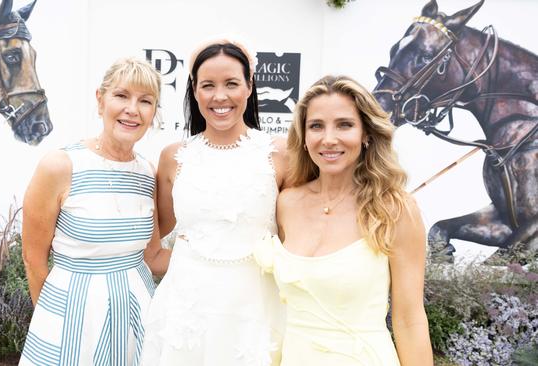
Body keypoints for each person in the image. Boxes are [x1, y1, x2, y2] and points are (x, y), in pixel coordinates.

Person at [254, 75, 433, 365]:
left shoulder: (395, 209)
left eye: (344, 125)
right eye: (316, 126)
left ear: (366, 134)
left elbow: (410, 319)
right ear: (303, 136)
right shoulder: (286, 202)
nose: (328, 139)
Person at [140, 39, 289, 366]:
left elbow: (299, 242)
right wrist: (191, 261)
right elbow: (151, 251)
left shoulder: (280, 154)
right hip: (187, 314)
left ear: (249, 87)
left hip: (257, 313)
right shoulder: (173, 158)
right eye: (208, 85)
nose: (220, 96)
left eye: (232, 84)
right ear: (194, 90)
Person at [19, 58, 170, 366]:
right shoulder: (60, 166)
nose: (132, 109)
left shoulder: (146, 173)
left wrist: (218, 256)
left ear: (153, 113)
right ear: (100, 100)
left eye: (145, 101)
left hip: (138, 316)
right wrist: (55, 322)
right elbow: (33, 260)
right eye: (121, 95)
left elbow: (153, 256)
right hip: (72, 317)